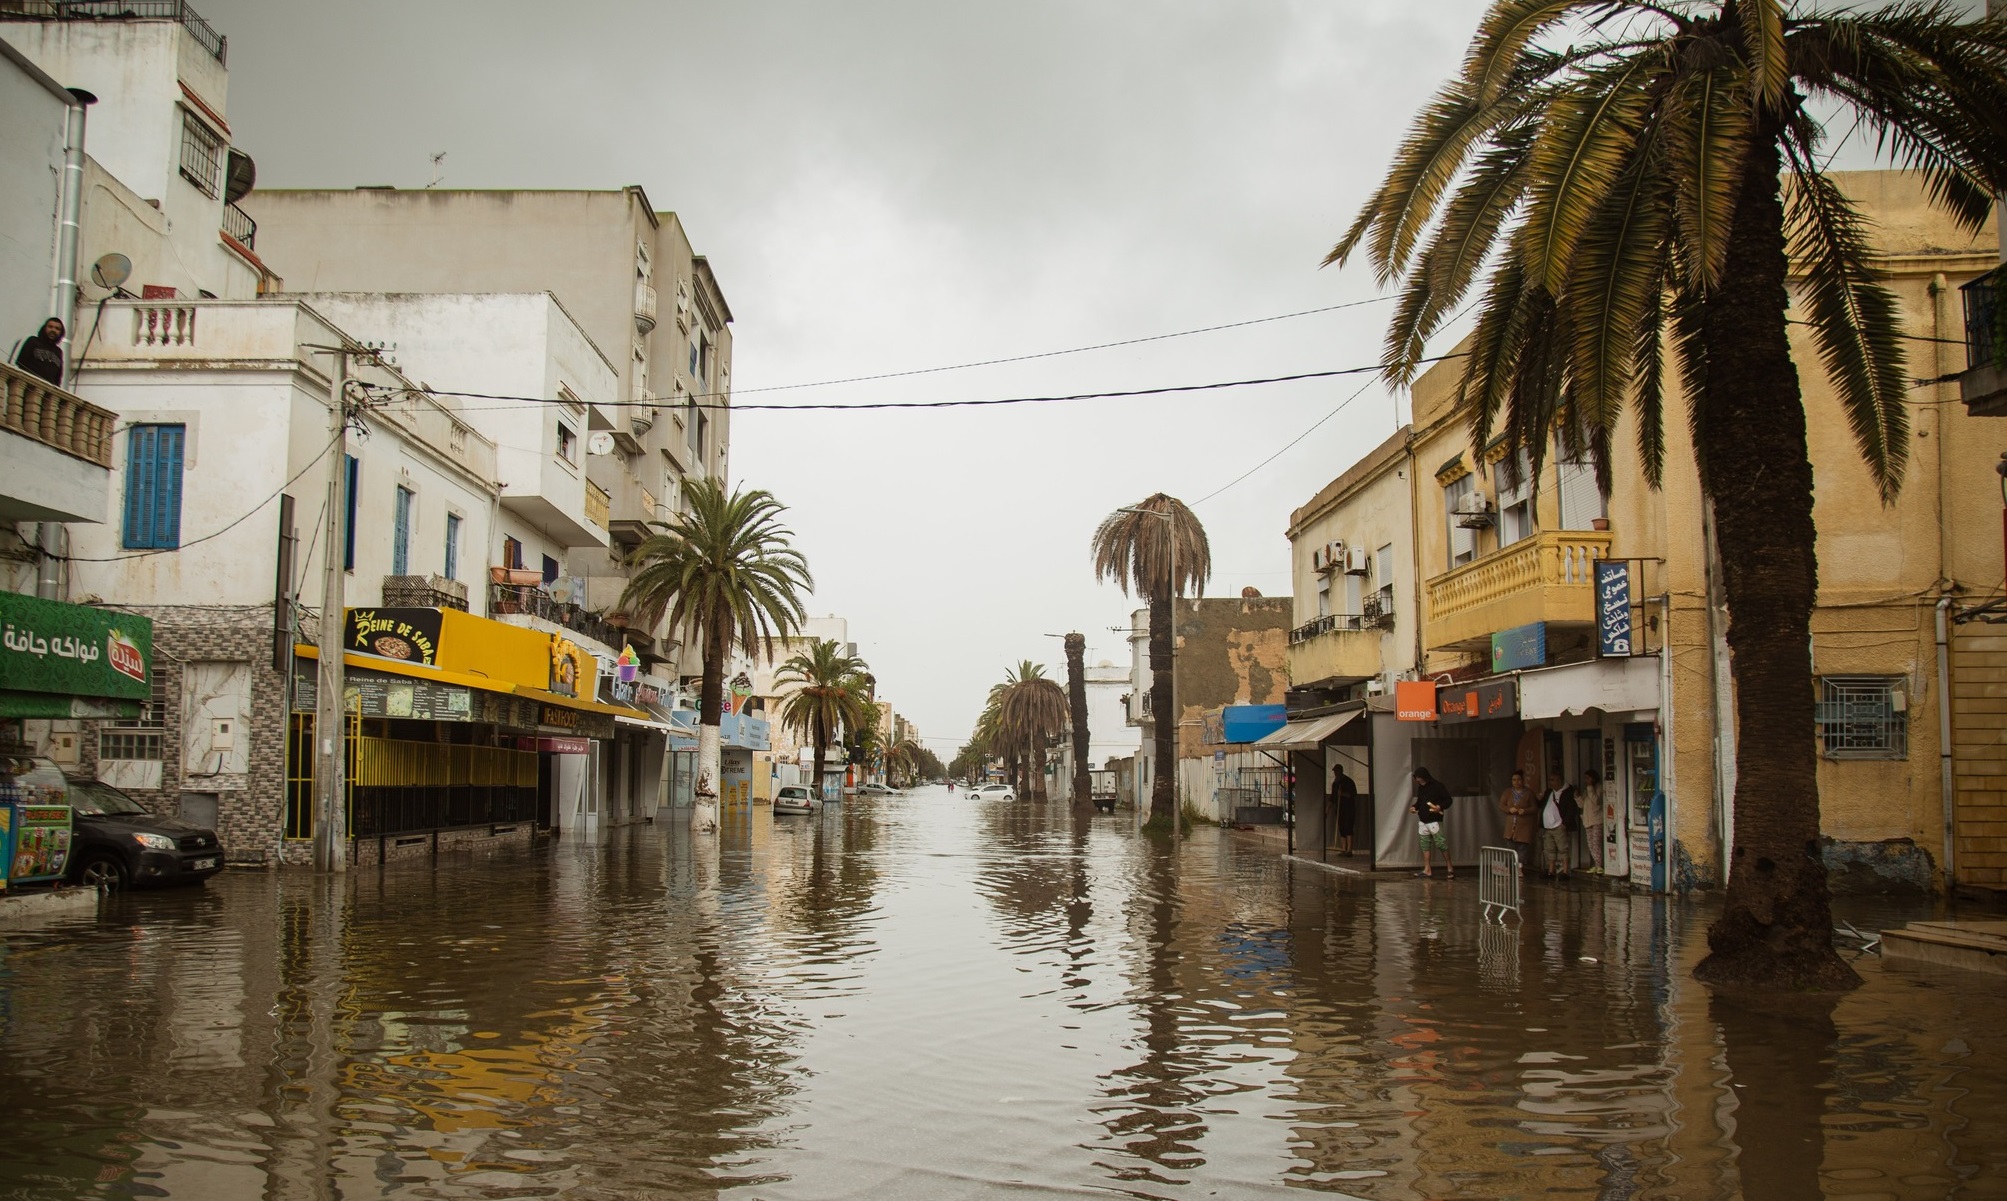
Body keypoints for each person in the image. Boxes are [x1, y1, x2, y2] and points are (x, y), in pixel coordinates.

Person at [1410, 767, 1454, 880]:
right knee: (1425, 844)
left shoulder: (1438, 786)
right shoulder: (1421, 788)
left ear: (1423, 777)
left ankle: (1450, 868)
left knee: (1441, 844)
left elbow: (1448, 800)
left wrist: (1439, 806)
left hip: (1434, 820)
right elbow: (1420, 802)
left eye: (1417, 777)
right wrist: (1414, 807)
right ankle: (1427, 869)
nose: (1416, 779)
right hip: (1423, 820)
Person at [1539, 770, 1580, 879]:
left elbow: (1572, 810)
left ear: (1559, 780)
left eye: (1552, 780)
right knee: (1550, 849)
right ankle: (1551, 870)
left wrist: (1564, 824)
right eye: (1549, 780)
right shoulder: (1549, 792)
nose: (1550, 782)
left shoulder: (1568, 792)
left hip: (1559, 826)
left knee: (1563, 849)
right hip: (1548, 826)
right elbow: (1540, 804)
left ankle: (1565, 871)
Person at [1497, 769, 1536, 868]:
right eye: (1514, 780)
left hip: (1523, 826)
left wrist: (1525, 811)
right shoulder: (1508, 792)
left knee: (1522, 849)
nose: (1516, 782)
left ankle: (1519, 869)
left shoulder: (1528, 793)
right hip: (1511, 826)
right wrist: (1509, 809)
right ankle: (1509, 868)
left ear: (1522, 780)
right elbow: (1501, 805)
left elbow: (1534, 808)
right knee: (1510, 849)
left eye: (1518, 779)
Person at [13, 318, 65, 387]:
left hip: (47, 391)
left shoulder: (59, 352)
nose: (53, 330)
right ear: (44, 328)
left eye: (57, 328)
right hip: (28, 387)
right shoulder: (32, 341)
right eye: (50, 327)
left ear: (61, 332)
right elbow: (18, 364)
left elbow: (58, 379)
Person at [1331, 762, 1359, 857]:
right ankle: (1344, 848)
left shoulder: (1349, 782)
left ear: (1340, 771)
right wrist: (1328, 808)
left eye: (1336, 771)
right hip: (1339, 809)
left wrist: (1342, 794)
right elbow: (1333, 797)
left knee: (1348, 827)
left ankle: (1349, 849)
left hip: (1349, 809)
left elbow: (1353, 794)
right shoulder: (1335, 783)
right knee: (1341, 828)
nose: (1335, 773)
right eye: (1334, 772)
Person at [1579, 769, 1605, 874]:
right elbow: (1581, 804)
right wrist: (1577, 797)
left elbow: (1596, 801)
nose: (1586, 781)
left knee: (1596, 843)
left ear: (1593, 778)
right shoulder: (1586, 791)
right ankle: (1596, 864)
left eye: (1588, 778)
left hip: (1597, 820)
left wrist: (1590, 788)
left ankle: (1599, 865)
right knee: (1590, 844)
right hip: (1587, 820)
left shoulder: (1599, 788)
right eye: (1585, 779)